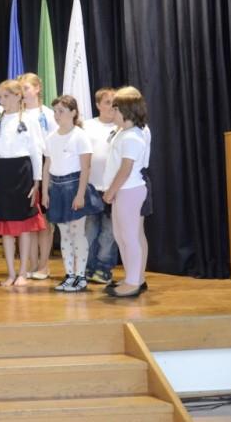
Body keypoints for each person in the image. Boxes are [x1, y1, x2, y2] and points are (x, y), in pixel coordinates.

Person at [0, 80, 46, 287]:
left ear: (17, 96)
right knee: (5, 225)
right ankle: (11, 273)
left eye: (5, 96)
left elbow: (36, 151)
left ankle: (23, 272)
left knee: (23, 225)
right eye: (0, 96)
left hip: (22, 172)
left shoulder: (29, 120)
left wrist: (37, 181)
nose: (1, 100)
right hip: (1, 173)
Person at [42, 95, 96, 293]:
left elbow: (85, 167)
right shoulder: (51, 138)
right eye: (55, 112)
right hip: (56, 188)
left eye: (61, 111)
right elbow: (47, 166)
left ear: (73, 113)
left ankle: (81, 276)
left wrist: (80, 194)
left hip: (73, 186)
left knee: (77, 232)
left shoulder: (80, 136)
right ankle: (70, 275)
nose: (57, 115)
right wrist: (45, 192)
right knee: (64, 233)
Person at [102, 86, 151, 298]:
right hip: (123, 191)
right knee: (121, 235)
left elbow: (126, 169)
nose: (111, 112)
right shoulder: (124, 133)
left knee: (129, 236)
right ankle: (133, 277)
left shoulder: (132, 137)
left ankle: (133, 282)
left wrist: (110, 191)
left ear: (126, 112)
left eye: (115, 109)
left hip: (129, 190)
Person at [18, 72, 56, 280]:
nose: (23, 93)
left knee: (44, 221)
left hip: (45, 164)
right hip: (24, 168)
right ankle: (31, 263)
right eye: (20, 89)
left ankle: (44, 264)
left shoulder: (48, 114)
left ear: (37, 88)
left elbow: (54, 142)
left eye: (26, 88)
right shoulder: (18, 115)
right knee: (29, 220)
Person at [83, 88, 120, 285]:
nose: (111, 107)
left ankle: (104, 268)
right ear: (98, 105)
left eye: (114, 103)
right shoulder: (87, 126)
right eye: (107, 102)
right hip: (91, 187)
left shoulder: (121, 126)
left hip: (112, 187)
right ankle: (87, 267)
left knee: (109, 231)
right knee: (90, 229)